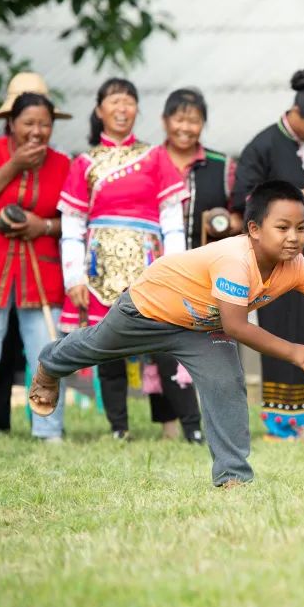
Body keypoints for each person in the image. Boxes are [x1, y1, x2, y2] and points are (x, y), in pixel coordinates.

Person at [31, 181, 304, 486]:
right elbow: (237, 326)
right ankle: (50, 363)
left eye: (301, 228)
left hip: (201, 327)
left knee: (226, 383)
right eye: (282, 227)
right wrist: (293, 352)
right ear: (253, 229)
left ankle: (233, 476)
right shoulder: (235, 260)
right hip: (147, 310)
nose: (293, 237)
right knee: (95, 347)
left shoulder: (296, 265)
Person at [58, 77, 188, 441]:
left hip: (151, 267)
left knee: (162, 348)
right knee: (108, 348)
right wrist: (74, 279)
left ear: (137, 110)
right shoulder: (83, 162)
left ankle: (172, 427)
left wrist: (175, 272)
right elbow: (72, 224)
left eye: (129, 101)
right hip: (99, 272)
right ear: (99, 110)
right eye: (114, 101)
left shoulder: (155, 156)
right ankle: (119, 428)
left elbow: (171, 219)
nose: (122, 108)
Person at [230, 71, 304, 441]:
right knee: (283, 325)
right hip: (278, 250)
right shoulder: (263, 145)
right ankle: (284, 422)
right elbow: (242, 199)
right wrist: (297, 198)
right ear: (296, 112)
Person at [0, 77, 71, 442]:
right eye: (29, 123)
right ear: (11, 123)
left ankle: (48, 431)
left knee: (49, 358)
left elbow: (73, 218)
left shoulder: (63, 163)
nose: (37, 131)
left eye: (44, 124)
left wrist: (45, 225)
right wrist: (14, 166)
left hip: (42, 276)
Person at [145, 87, 239, 444]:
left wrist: (228, 220)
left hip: (208, 272)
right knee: (160, 345)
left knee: (213, 344)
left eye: (194, 120)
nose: (186, 126)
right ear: (165, 121)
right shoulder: (150, 161)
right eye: (179, 118)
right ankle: (169, 425)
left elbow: (240, 212)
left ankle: (212, 420)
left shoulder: (221, 165)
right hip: (158, 268)